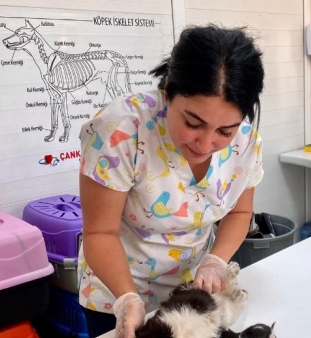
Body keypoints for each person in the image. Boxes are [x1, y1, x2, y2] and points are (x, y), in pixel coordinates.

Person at [77, 25, 265, 338]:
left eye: (225, 131)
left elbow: (240, 212)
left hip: (191, 294)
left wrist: (216, 261)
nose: (205, 144)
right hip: (118, 290)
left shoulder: (246, 142)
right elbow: (99, 231)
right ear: (168, 91)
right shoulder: (121, 129)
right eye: (193, 123)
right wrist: (126, 300)